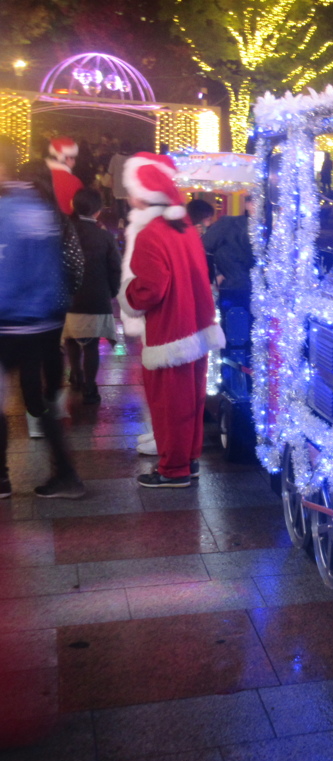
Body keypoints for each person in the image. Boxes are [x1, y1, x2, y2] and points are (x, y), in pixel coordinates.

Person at [118, 152, 225, 488]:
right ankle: (188, 460)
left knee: (169, 404)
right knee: (191, 400)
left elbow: (151, 288)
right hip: (197, 326)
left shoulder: (152, 233)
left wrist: (128, 293)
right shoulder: (185, 229)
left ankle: (173, 469)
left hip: (169, 332)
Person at [0, 137, 85, 499]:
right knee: (42, 401)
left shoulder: (4, 208)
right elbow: (67, 264)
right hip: (45, 319)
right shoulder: (42, 205)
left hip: (8, 320)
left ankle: (2, 478)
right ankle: (66, 474)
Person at [64, 188, 121, 405]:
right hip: (95, 298)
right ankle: (90, 386)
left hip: (68, 299)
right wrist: (111, 292)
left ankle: (75, 374)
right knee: (91, 345)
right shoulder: (104, 236)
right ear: (97, 212)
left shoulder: (64, 233)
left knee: (69, 338)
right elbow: (115, 268)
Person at [46, 136, 84, 216]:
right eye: (73, 158)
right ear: (65, 158)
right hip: (66, 222)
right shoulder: (74, 181)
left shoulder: (42, 176)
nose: (75, 162)